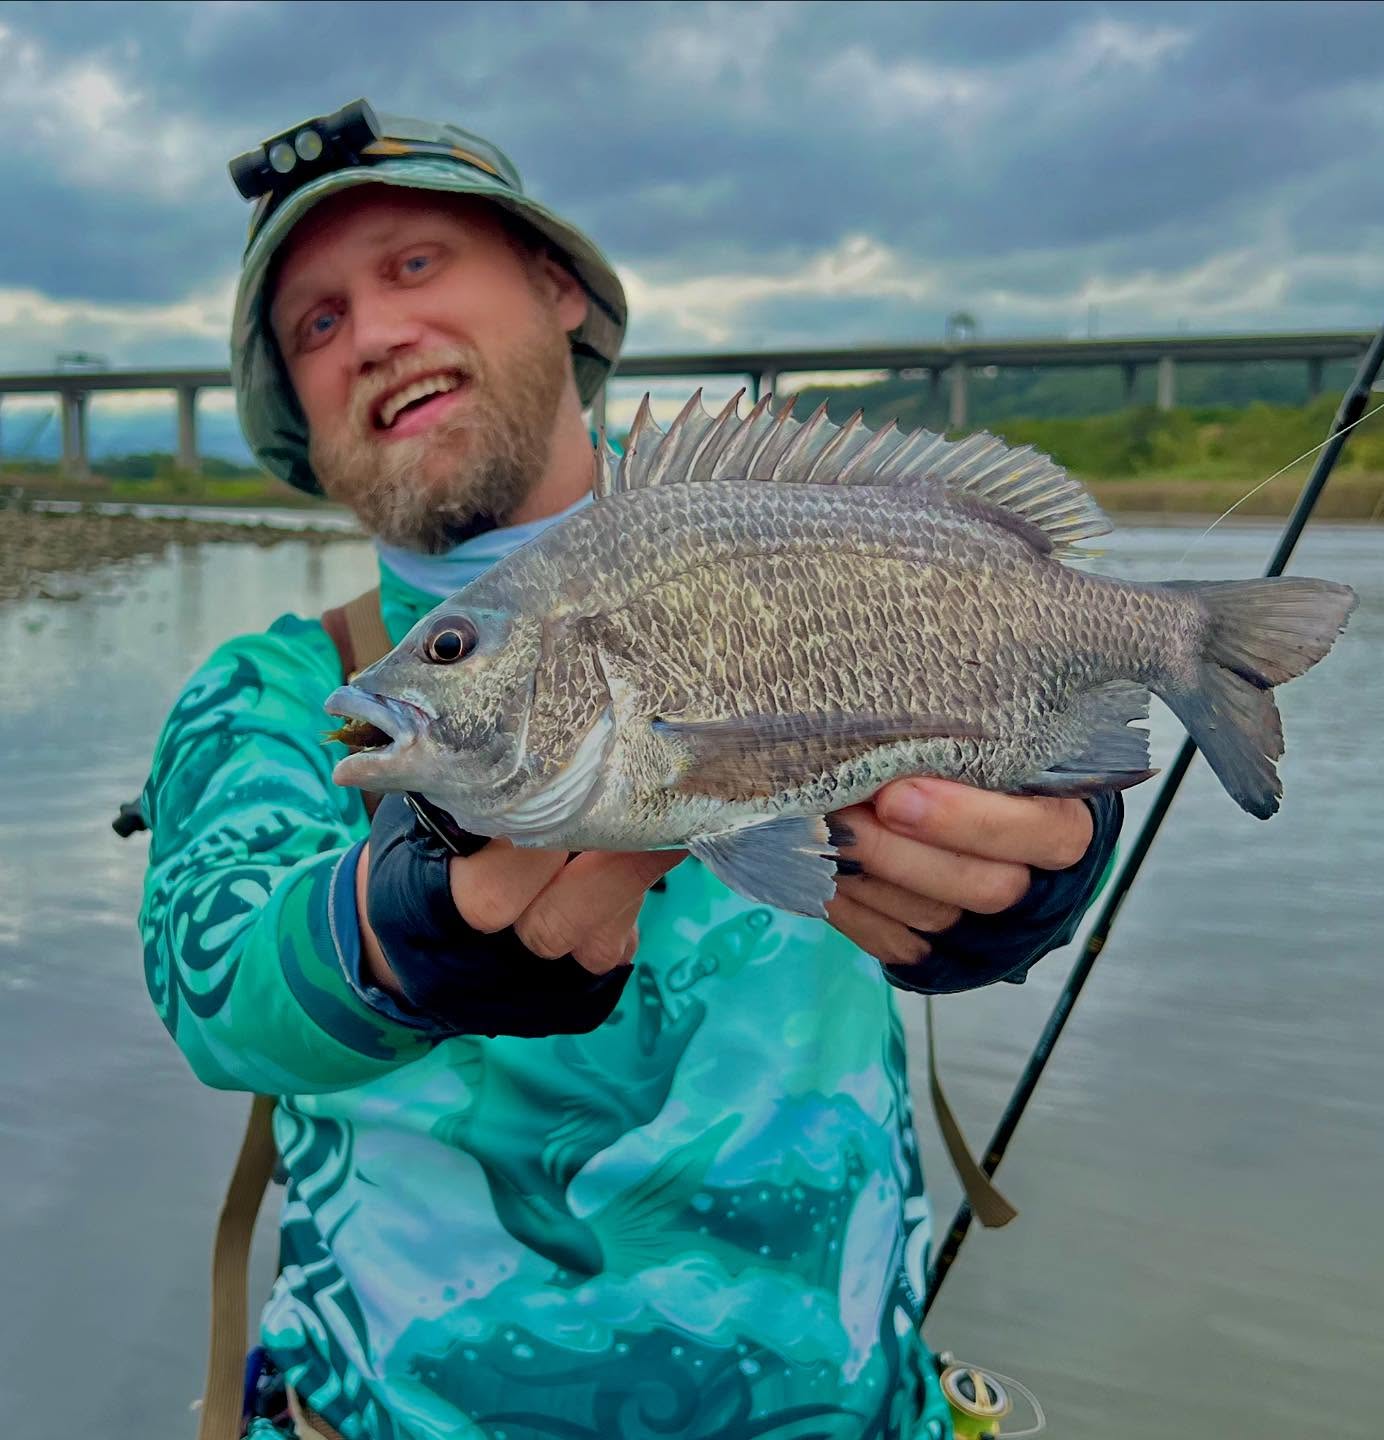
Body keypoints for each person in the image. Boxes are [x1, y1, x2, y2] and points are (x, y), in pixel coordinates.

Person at [138, 102, 1122, 1440]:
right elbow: (218, 984)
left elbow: (1016, 754)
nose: (371, 332)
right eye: (314, 325)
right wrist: (395, 926)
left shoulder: (812, 562)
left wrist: (1026, 875)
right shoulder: (283, 700)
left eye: (416, 264)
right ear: (299, 421)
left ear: (559, 294)